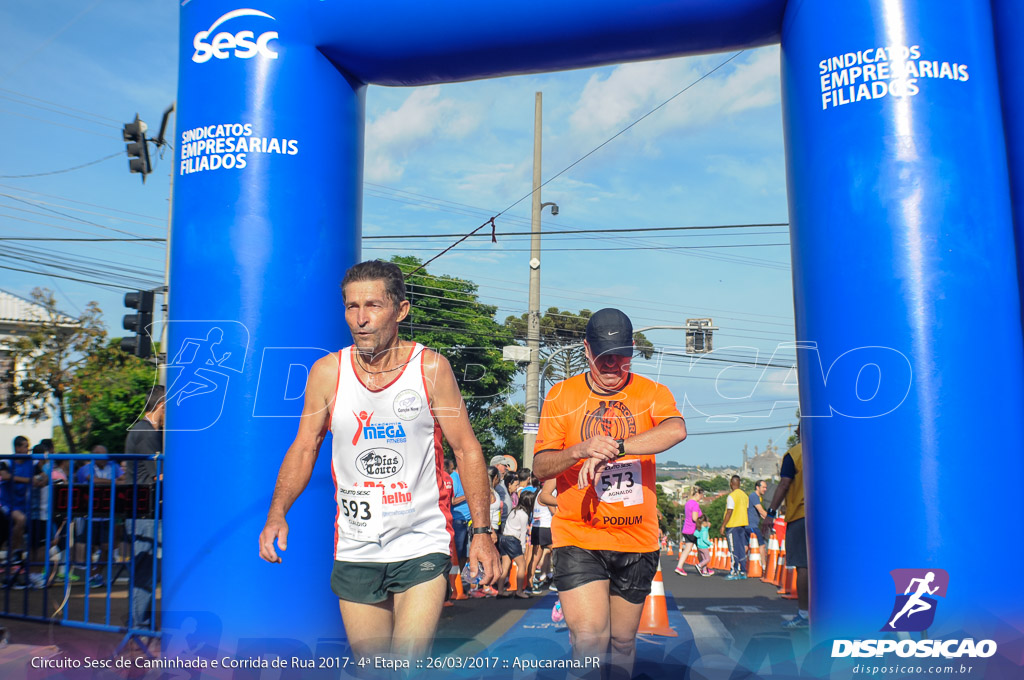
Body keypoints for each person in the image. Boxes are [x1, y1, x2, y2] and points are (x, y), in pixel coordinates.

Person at [258, 260, 500, 660]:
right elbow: (304, 447)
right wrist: (277, 512)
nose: (361, 319)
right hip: (357, 546)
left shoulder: (430, 368)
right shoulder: (327, 373)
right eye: (352, 307)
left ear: (401, 310)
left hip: (422, 540)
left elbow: (467, 448)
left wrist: (482, 533)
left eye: (372, 305)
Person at [533, 308, 687, 677]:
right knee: (588, 639)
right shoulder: (561, 396)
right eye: (604, 356)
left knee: (621, 642)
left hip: (636, 539)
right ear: (587, 350)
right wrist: (580, 450)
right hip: (578, 535)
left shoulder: (651, 393)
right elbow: (540, 467)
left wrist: (618, 446)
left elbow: (676, 430)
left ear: (631, 351)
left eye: (621, 355)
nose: (613, 364)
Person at [124, 385, 166, 634]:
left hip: (144, 510)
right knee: (147, 569)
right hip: (144, 512)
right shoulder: (146, 432)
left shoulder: (144, 430)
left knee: (149, 568)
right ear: (160, 406)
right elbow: (158, 476)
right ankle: (138, 624)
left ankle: (142, 622)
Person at [763, 425, 807, 629]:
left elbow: (784, 485)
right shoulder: (832, 451)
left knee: (803, 566)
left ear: (800, 432)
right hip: (830, 518)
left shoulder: (794, 454)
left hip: (800, 515)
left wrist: (771, 513)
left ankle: (805, 614)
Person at [497, 489, 535, 599]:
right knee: (522, 565)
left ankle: (500, 591)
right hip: (513, 540)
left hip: (504, 538)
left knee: (505, 566)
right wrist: (522, 548)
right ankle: (519, 591)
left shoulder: (514, 511)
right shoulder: (523, 515)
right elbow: (523, 533)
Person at [529, 478, 557, 592]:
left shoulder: (539, 492)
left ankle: (530, 582)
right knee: (557, 552)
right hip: (545, 527)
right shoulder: (550, 492)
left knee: (535, 557)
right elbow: (554, 511)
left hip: (537, 526)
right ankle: (555, 581)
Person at [719, 475, 749, 580]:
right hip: (742, 525)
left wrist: (723, 525)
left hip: (732, 525)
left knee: (733, 549)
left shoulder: (732, 496)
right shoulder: (745, 496)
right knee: (741, 548)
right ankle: (743, 571)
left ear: (731, 483)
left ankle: (734, 571)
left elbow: (729, 511)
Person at [673, 485, 704, 576]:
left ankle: (679, 567)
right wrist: (702, 521)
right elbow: (694, 518)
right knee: (701, 549)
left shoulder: (688, 503)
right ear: (697, 494)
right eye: (701, 495)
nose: (702, 497)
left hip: (686, 529)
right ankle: (703, 567)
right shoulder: (695, 504)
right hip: (694, 530)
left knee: (687, 549)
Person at [747, 479, 768, 573]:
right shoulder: (754, 496)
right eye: (763, 487)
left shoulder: (757, 497)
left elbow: (762, 515)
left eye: (766, 487)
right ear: (757, 487)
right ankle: (764, 566)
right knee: (762, 545)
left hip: (751, 525)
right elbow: (761, 511)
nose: (765, 489)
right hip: (752, 525)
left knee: (746, 546)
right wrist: (774, 519)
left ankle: (739, 565)